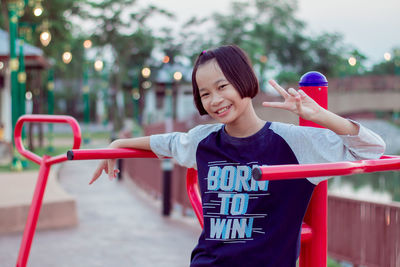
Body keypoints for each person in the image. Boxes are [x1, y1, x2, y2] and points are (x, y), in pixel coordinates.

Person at [90, 45, 385, 267]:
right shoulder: (202, 140)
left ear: (243, 80)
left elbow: (371, 149)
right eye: (205, 94)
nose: (215, 100)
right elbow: (166, 142)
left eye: (222, 87)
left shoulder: (295, 142)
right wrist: (117, 144)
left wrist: (320, 115)